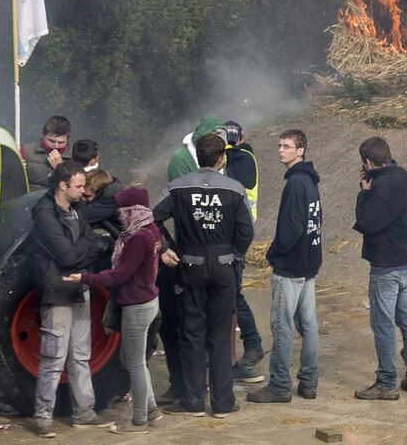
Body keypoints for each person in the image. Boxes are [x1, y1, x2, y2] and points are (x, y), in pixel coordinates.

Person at [153, 131, 254, 417]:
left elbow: (151, 218)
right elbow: (247, 231)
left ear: (198, 157)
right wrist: (233, 255)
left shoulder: (177, 187)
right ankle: (223, 404)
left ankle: (194, 401)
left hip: (189, 264)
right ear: (222, 159)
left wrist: (164, 247)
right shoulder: (234, 189)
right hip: (223, 265)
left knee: (192, 334)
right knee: (221, 336)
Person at [66, 186, 163, 430]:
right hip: (148, 301)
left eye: (123, 210)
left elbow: (119, 276)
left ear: (133, 210)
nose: (119, 215)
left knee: (135, 363)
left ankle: (139, 418)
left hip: (137, 306)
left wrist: (85, 279)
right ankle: (150, 408)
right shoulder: (151, 229)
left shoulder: (138, 238)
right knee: (133, 359)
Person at [29, 161, 113, 437]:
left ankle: (84, 412)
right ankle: (42, 418)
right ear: (62, 185)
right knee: (53, 358)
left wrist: (82, 252)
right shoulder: (44, 213)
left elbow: (91, 244)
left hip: (80, 287)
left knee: (81, 355)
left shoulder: (77, 210)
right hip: (57, 292)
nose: (83, 191)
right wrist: (84, 251)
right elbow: (66, 255)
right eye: (77, 186)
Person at [247, 129, 322, 403]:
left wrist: (272, 255)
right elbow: (316, 223)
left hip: (290, 267)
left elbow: (292, 230)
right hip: (308, 264)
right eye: (279, 145)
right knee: (309, 325)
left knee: (282, 325)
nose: (281, 150)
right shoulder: (310, 181)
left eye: (287, 146)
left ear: (301, 150)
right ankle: (309, 382)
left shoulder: (296, 183)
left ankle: (279, 385)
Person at [353, 136, 407, 400]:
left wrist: (364, 193)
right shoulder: (404, 176)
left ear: (367, 162)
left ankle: (386, 382)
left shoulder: (381, 185)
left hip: (385, 266)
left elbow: (367, 223)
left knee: (383, 324)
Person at [223, 119, 264, 382]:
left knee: (235, 294)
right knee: (232, 294)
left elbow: (237, 179)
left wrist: (225, 151)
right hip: (233, 231)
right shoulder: (236, 155)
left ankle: (252, 343)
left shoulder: (244, 158)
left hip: (238, 233)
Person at [25, 115, 71, 188]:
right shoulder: (25, 151)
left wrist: (59, 168)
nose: (56, 146)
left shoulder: (74, 156)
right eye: (51, 141)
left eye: (61, 142)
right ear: (43, 135)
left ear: (67, 139)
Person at [82, 167, 122, 234]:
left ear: (98, 191)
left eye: (87, 196)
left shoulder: (111, 199)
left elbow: (84, 216)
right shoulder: (108, 190)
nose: (82, 198)